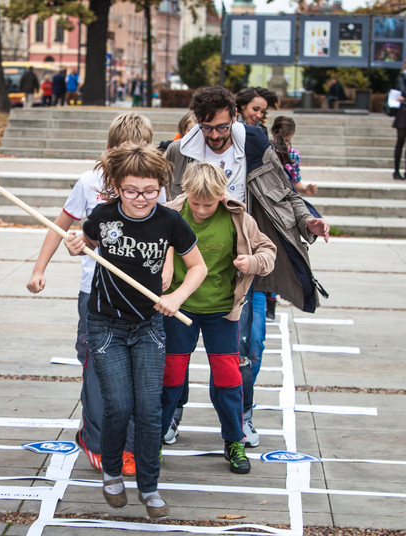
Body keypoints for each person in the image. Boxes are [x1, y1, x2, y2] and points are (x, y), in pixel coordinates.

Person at [165, 86, 330, 447]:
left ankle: (242, 418)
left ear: (234, 118)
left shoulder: (253, 145)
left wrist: (308, 221)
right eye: (207, 128)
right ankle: (171, 417)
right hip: (189, 267)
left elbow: (285, 193)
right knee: (175, 356)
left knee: (248, 348)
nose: (214, 135)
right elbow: (162, 204)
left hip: (242, 267)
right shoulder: (181, 151)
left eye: (221, 127)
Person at [63, 142, 206, 520]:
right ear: (117, 185)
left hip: (149, 326)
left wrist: (176, 297)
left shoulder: (170, 222)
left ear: (161, 185)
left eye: (149, 190)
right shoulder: (103, 215)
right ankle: (111, 472)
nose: (140, 199)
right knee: (119, 404)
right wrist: (76, 244)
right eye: (131, 191)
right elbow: (85, 243)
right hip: (105, 323)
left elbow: (198, 268)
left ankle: (149, 486)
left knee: (148, 409)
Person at [27, 112, 158, 477]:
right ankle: (97, 439)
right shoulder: (90, 182)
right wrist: (40, 268)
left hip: (139, 294)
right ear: (109, 149)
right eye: (122, 151)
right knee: (98, 368)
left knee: (136, 371)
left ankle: (130, 445)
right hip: (96, 294)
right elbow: (61, 225)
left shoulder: (154, 182)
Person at [161, 161, 276, 475]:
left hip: (222, 311)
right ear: (186, 193)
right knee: (170, 375)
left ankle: (234, 440)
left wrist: (251, 262)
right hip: (179, 307)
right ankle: (155, 437)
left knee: (228, 378)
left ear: (222, 195)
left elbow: (269, 253)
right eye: (195, 202)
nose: (200, 210)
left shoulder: (238, 217)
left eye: (208, 204)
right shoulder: (171, 212)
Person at [270, 116, 318, 196]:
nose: (282, 144)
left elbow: (295, 181)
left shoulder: (293, 155)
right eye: (279, 139)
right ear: (272, 132)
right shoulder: (266, 150)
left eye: (287, 141)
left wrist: (305, 190)